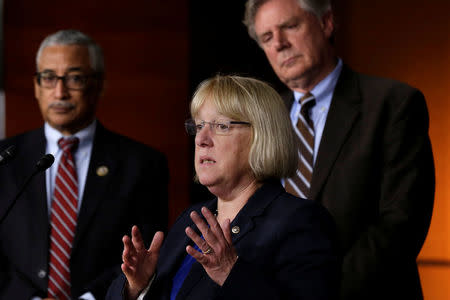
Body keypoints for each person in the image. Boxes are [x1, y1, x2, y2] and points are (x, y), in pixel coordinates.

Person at [243, 0, 435, 299]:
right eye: (267, 37)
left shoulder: (392, 104)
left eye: (290, 26)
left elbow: (400, 226)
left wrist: (316, 292)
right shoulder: (260, 121)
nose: (279, 44)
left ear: (327, 22)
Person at [106, 75, 339, 300]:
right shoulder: (190, 220)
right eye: (198, 126)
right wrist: (138, 286)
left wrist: (231, 273)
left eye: (221, 126)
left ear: (262, 136)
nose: (201, 139)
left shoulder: (301, 222)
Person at [0, 30, 169, 300]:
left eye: (75, 78)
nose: (60, 91)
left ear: (99, 84)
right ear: (36, 86)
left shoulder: (142, 164)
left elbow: (145, 253)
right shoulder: (5, 159)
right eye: (48, 77)